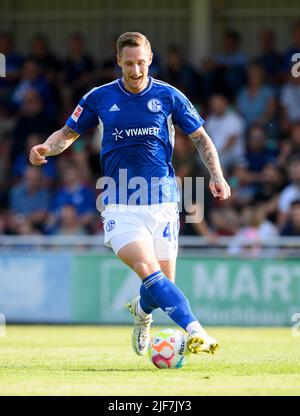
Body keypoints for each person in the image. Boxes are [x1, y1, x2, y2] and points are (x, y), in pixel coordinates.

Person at [29, 32, 231, 357]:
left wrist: (217, 175)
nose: (135, 71)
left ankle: (141, 311)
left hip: (164, 202)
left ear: (150, 59)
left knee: (161, 287)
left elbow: (201, 138)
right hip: (119, 203)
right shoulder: (99, 97)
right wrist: (46, 148)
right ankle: (197, 330)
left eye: (140, 63)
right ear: (118, 61)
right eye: (128, 64)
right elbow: (67, 134)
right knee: (146, 269)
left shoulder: (169, 96)